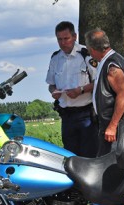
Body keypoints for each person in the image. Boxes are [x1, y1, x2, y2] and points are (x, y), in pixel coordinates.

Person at [46, 21, 98, 158]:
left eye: (66, 38)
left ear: (74, 36)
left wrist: (80, 90)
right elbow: (50, 84)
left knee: (89, 156)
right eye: (59, 39)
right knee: (70, 156)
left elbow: (99, 82)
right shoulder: (55, 58)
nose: (63, 43)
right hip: (67, 116)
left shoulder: (86, 54)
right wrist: (54, 92)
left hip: (86, 115)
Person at [85, 28, 124, 156]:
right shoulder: (108, 62)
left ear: (92, 49)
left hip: (117, 128)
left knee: (112, 165)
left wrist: (112, 126)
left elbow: (123, 95)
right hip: (113, 126)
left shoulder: (112, 65)